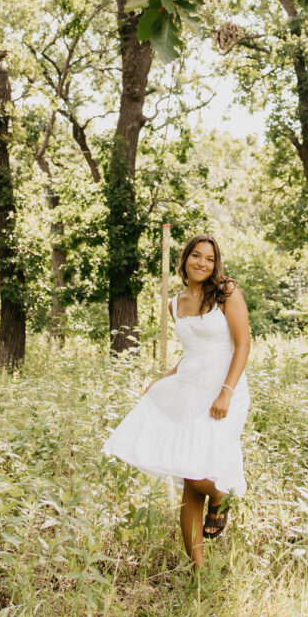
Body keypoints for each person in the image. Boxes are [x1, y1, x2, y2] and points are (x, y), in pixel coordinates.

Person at [103, 233, 251, 568]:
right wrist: (164, 378)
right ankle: (198, 569)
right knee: (188, 474)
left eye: (209, 258)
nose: (202, 263)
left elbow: (242, 345)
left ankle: (220, 493)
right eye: (196, 256)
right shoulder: (175, 303)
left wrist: (226, 391)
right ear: (185, 259)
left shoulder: (227, 292)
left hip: (226, 387)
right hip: (189, 387)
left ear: (216, 264)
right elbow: (192, 354)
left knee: (199, 471)